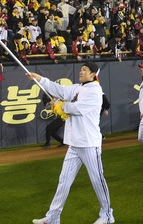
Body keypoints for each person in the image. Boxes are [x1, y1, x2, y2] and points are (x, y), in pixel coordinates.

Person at [28, 62, 114, 224]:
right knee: (64, 181)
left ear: (93, 74)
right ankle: (53, 217)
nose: (81, 72)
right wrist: (39, 79)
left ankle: (107, 216)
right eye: (81, 69)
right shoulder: (76, 88)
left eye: (85, 70)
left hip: (89, 144)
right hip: (74, 144)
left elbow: (76, 109)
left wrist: (58, 105)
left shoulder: (95, 91)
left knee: (97, 180)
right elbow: (59, 89)